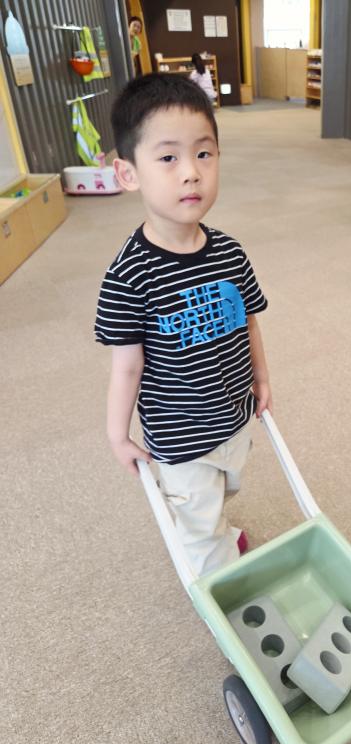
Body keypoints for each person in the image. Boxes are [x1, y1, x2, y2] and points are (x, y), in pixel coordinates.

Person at [94, 73, 271, 577]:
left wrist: (261, 379)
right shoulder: (128, 275)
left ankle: (213, 530)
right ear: (128, 174)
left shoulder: (230, 252)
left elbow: (248, 323)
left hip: (232, 415)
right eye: (168, 158)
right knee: (199, 523)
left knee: (224, 490)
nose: (191, 173)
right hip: (180, 438)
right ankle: (219, 586)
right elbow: (127, 367)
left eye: (204, 153)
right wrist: (117, 434)